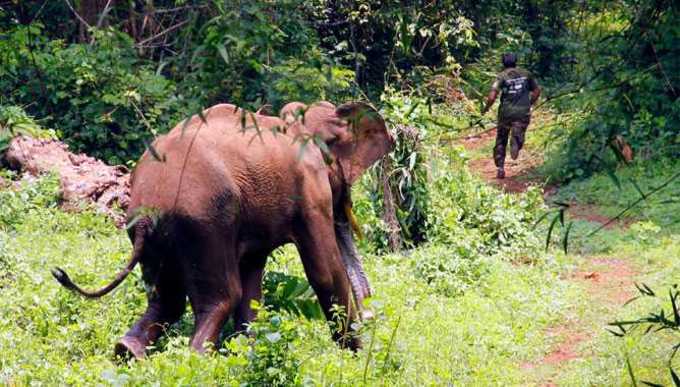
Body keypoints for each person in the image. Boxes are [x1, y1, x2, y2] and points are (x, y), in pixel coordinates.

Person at [482, 53, 541, 179]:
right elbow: (537, 91)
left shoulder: (501, 76)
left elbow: (492, 96)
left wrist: (486, 108)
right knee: (520, 130)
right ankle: (516, 140)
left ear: (503, 63)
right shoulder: (526, 74)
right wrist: (529, 103)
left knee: (501, 139)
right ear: (516, 61)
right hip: (522, 112)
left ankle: (500, 168)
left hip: (505, 113)